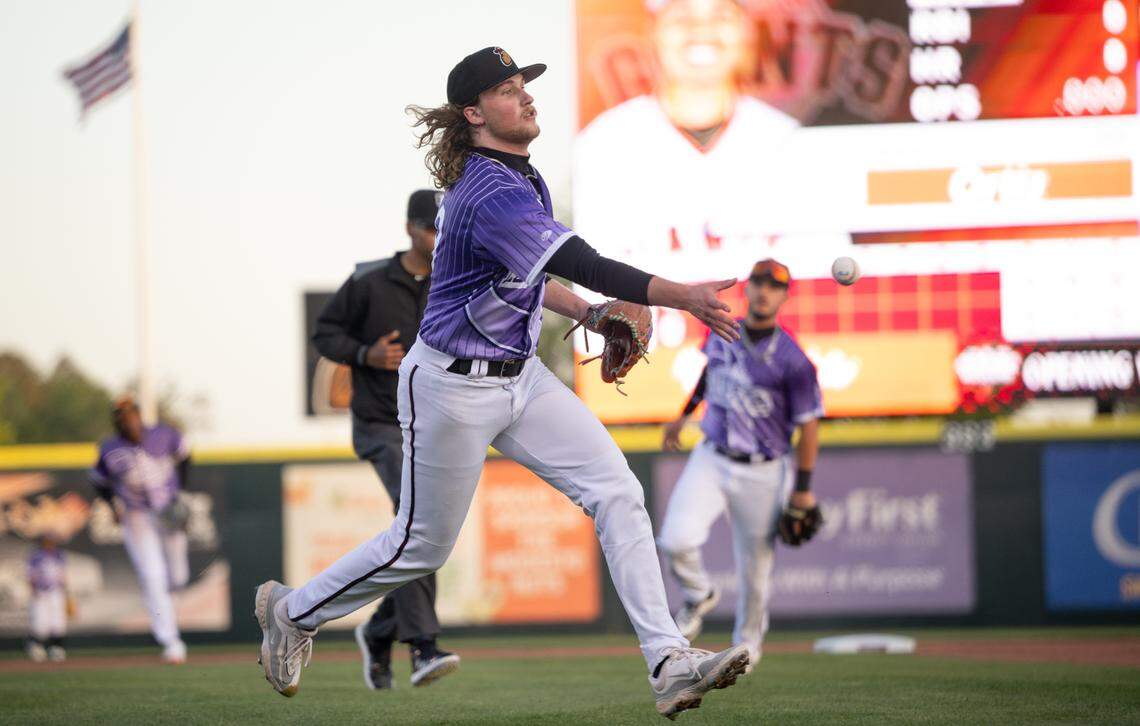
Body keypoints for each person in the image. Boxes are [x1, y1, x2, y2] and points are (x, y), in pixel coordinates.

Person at [256, 46, 751, 719]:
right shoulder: (487, 191)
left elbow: (535, 276)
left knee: (617, 493)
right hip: (448, 388)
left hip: (522, 379)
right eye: (509, 89)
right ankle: (292, 613)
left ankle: (667, 662)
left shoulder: (522, 178)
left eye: (525, 86)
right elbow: (583, 259)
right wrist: (678, 294)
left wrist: (591, 314)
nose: (527, 97)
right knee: (420, 544)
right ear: (474, 112)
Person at [311, 189, 460, 690]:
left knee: (429, 535)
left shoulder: (454, 277)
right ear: (410, 229)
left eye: (444, 228)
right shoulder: (370, 279)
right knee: (419, 524)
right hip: (380, 422)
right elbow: (324, 333)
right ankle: (422, 648)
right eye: (431, 229)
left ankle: (379, 632)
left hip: (434, 425)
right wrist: (365, 354)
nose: (439, 239)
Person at [657, 258, 822, 670]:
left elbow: (809, 426)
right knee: (675, 539)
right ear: (747, 290)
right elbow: (709, 375)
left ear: (784, 295)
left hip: (764, 469)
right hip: (712, 455)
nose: (765, 291)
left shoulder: (793, 360)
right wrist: (684, 413)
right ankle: (699, 594)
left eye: (775, 285)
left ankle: (747, 650)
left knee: (755, 570)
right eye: (760, 283)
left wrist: (802, 487)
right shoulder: (722, 331)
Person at [574, 0, 802, 267]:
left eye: (721, 17)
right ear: (653, 31)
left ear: (747, 31)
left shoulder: (789, 144)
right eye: (682, 17)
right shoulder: (602, 146)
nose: (702, 30)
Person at [90, 396, 191, 664]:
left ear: (138, 415)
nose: (128, 420)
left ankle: (170, 619)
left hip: (166, 510)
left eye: (131, 414)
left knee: (178, 576)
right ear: (117, 422)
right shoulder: (109, 449)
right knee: (152, 575)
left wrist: (180, 492)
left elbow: (185, 456)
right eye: (122, 417)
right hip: (136, 516)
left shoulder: (163, 433)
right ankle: (170, 640)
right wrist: (112, 505)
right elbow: (99, 481)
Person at [26, 535, 69, 662]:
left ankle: (56, 648)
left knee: (58, 621)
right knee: (40, 621)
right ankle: (36, 646)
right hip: (41, 591)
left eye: (51, 542)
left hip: (56, 591)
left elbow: (62, 575)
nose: (50, 544)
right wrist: (33, 590)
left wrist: (66, 592)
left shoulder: (59, 555)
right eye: (47, 542)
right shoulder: (36, 557)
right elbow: (31, 575)